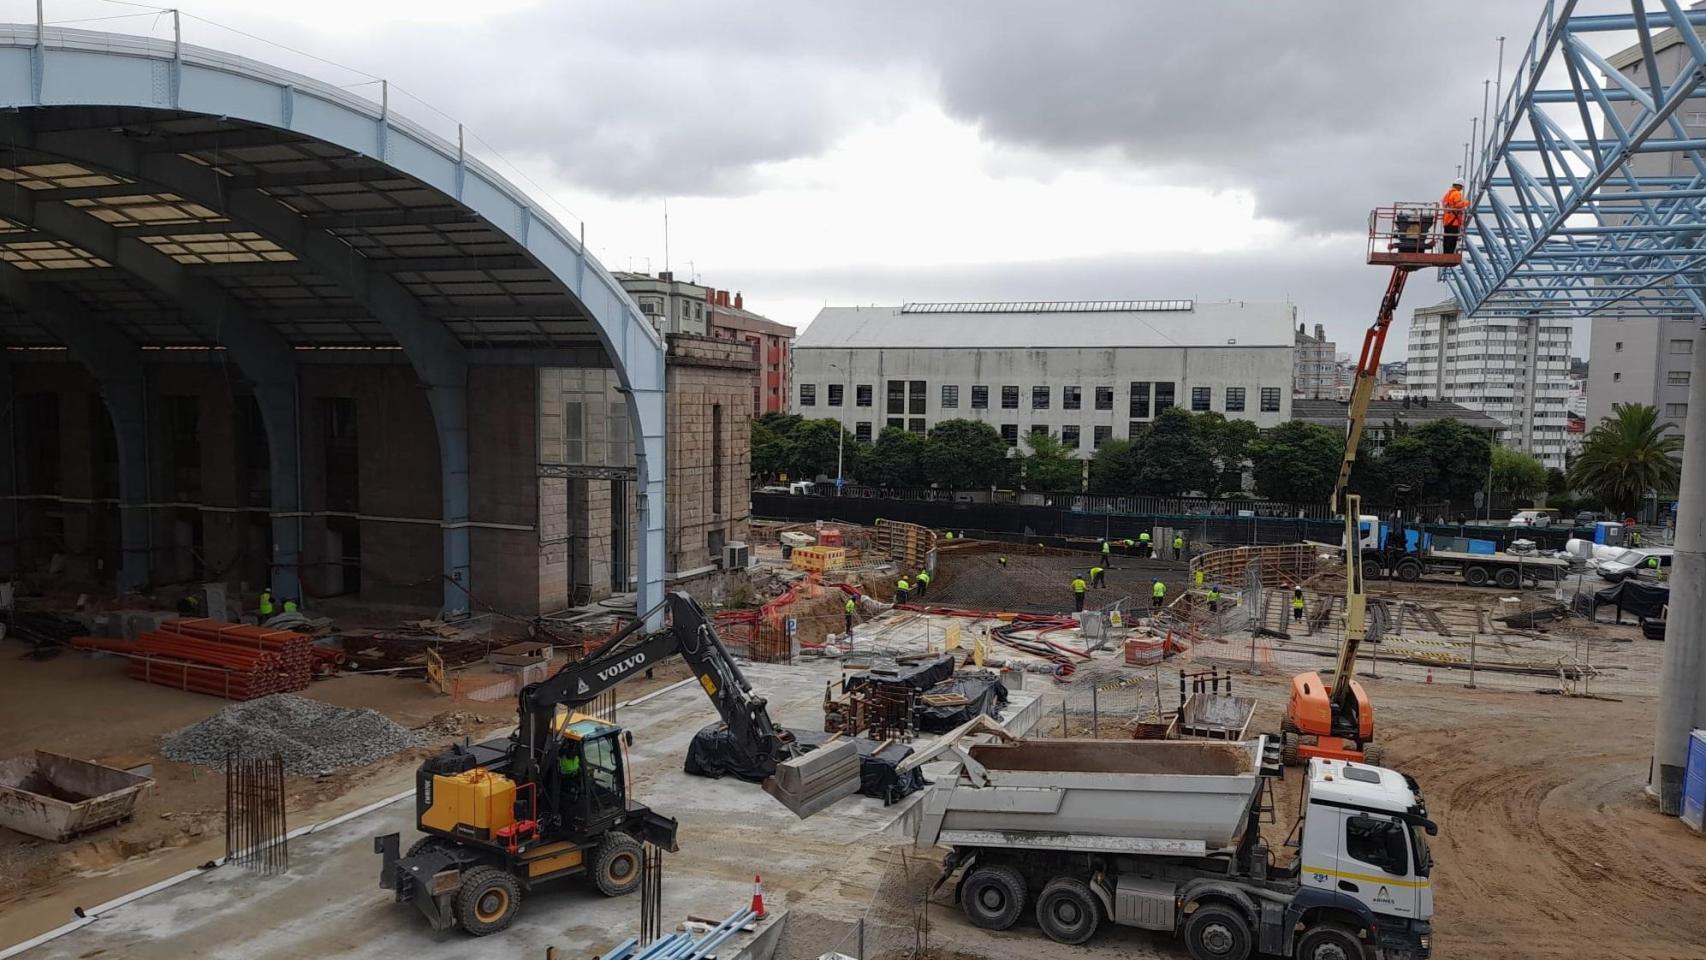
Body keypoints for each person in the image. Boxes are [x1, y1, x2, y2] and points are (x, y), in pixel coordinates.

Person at [1441, 176, 1468, 254]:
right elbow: (1458, 204)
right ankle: (1449, 254)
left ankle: (1446, 254)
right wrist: (1466, 202)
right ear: (1458, 186)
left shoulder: (1448, 193)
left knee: (1447, 238)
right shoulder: (1456, 193)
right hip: (1454, 220)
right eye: (1461, 187)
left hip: (1447, 219)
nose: (1461, 189)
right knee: (1452, 239)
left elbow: (1443, 203)